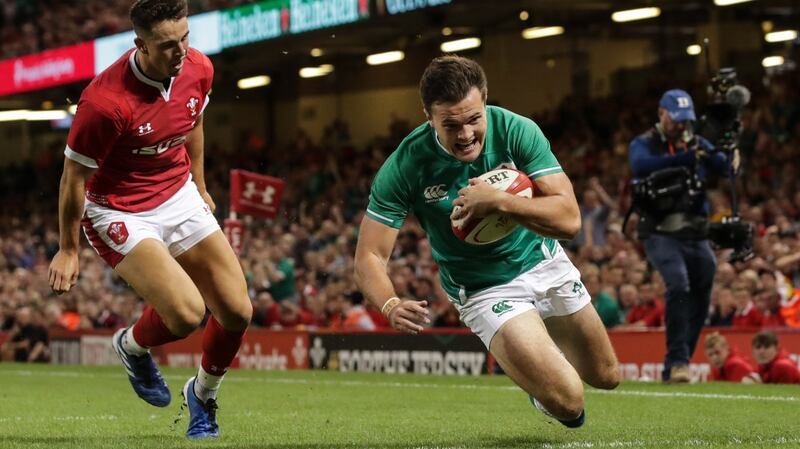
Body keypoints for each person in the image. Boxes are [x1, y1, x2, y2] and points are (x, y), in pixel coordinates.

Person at [354, 56, 620, 428]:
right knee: (569, 402)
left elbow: (571, 220)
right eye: (450, 124)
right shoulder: (405, 165)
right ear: (428, 116)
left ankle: (534, 357)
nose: (465, 135)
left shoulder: (515, 130)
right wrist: (389, 303)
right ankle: (535, 376)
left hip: (543, 260)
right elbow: (369, 255)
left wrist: (497, 201)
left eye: (473, 119)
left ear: (485, 103)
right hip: (484, 288)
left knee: (607, 376)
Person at [47, 0, 252, 439]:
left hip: (176, 192)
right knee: (184, 316)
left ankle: (203, 395)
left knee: (237, 310)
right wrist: (67, 249)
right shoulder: (104, 103)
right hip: (117, 208)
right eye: (167, 46)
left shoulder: (198, 67)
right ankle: (132, 346)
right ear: (139, 45)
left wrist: (198, 182)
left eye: (185, 39)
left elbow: (192, 120)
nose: (180, 52)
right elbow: (72, 178)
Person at [629, 89, 733, 383]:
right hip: (660, 229)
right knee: (678, 282)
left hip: (694, 230)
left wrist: (729, 150)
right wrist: (689, 157)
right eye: (675, 119)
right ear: (662, 114)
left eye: (685, 121)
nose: (681, 126)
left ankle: (679, 362)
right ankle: (677, 359)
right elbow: (639, 165)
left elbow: (725, 168)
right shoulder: (645, 143)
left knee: (705, 279)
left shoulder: (698, 142)